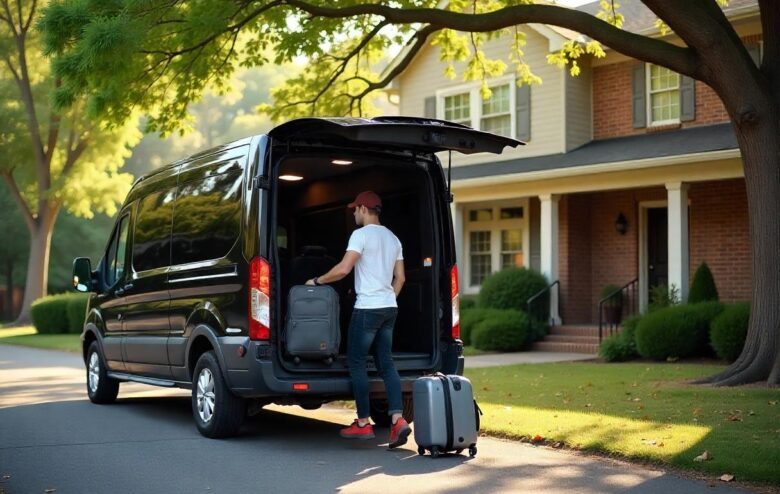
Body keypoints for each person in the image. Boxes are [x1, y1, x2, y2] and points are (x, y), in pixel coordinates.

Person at [306, 190, 411, 448]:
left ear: (364, 209)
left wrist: (317, 281)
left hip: (367, 309)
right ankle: (397, 419)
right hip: (389, 308)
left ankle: (363, 423)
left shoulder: (360, 235)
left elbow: (343, 269)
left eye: (355, 209)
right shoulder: (393, 238)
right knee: (386, 362)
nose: (353, 213)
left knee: (356, 362)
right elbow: (401, 278)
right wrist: (389, 298)